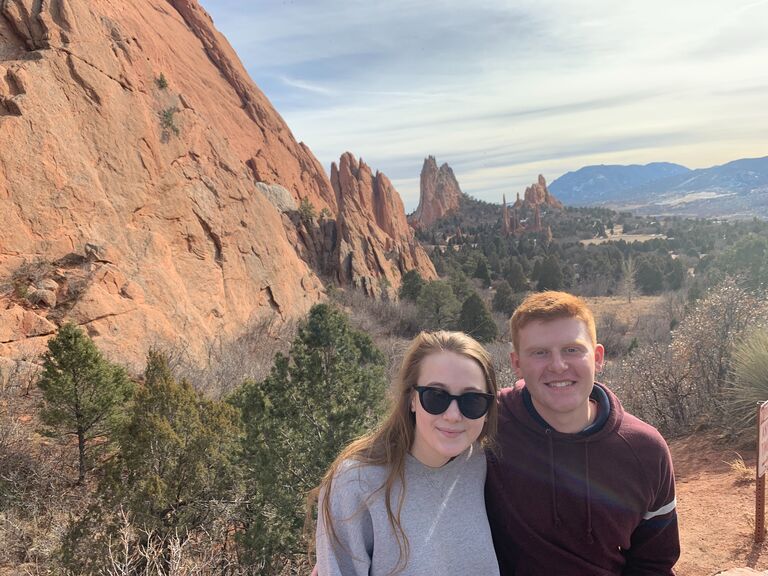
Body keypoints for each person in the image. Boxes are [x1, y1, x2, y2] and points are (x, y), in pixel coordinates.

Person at [485, 290, 680, 575]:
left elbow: (654, 563)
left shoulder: (645, 451)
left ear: (598, 357)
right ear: (517, 364)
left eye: (572, 349)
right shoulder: (485, 425)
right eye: (539, 353)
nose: (558, 365)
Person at [310, 331, 501, 576]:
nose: (453, 415)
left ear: (487, 409)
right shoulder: (357, 482)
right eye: (436, 396)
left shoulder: (479, 463)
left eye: (472, 400)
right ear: (412, 399)